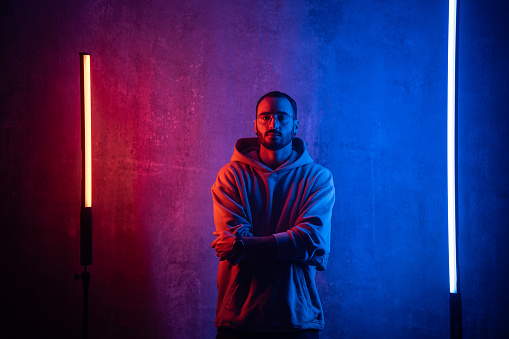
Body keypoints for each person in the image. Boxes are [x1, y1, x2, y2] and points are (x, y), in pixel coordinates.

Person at [211, 91, 335, 339]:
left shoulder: (318, 178)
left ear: (296, 125)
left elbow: (311, 240)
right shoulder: (230, 175)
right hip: (238, 320)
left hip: (297, 319)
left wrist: (244, 245)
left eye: (282, 117)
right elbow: (234, 244)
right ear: (255, 125)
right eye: (265, 117)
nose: (273, 124)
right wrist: (289, 245)